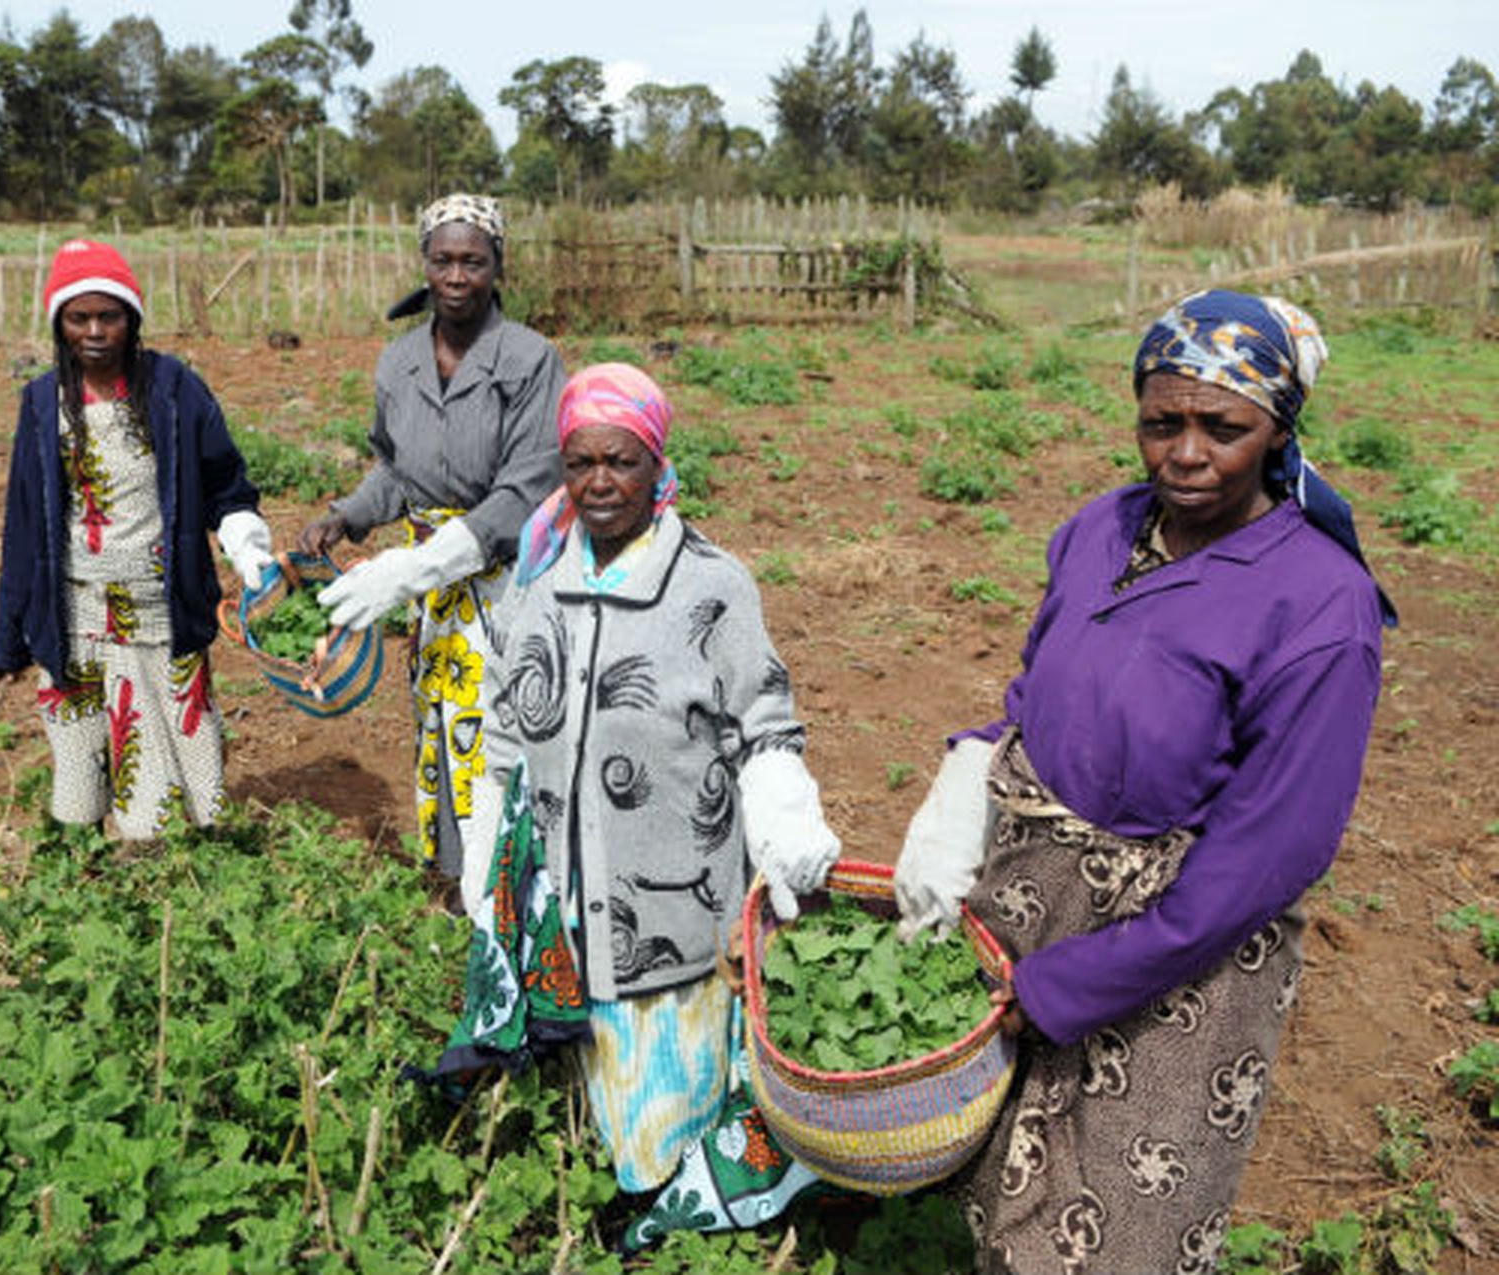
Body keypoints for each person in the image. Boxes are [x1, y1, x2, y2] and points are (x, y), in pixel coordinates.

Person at [892, 290, 1394, 1273]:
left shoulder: (1319, 607)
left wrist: (1082, 977)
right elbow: (1044, 683)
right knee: (1002, 1176)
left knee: (1122, 1222)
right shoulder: (1101, 528)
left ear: (1280, 428)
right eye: (1161, 423)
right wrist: (968, 772)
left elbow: (1267, 854)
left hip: (1180, 949)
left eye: (1224, 428)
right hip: (1033, 896)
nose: (1187, 455)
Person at [449, 362, 841, 1195]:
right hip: (560, 926)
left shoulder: (710, 585)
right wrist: (486, 871)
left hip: (673, 926)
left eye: (620, 460)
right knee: (583, 1141)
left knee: (672, 1146)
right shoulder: (539, 584)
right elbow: (505, 736)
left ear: (657, 465)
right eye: (580, 461)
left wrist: (784, 824)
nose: (599, 482)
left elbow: (763, 726)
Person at [298, 193, 566, 894]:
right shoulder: (400, 362)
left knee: (502, 726)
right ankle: (456, 879)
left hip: (505, 583)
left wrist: (421, 563)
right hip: (430, 596)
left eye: (472, 261)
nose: (456, 276)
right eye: (443, 259)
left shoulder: (531, 359)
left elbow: (528, 488)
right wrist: (349, 516)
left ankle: (510, 888)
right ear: (424, 263)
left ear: (497, 265)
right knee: (443, 724)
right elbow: (397, 468)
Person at [0, 239, 279, 840]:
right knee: (78, 756)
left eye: (109, 316)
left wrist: (246, 544)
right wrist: (9, 640)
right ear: (59, 324)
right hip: (74, 610)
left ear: (132, 319)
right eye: (79, 317)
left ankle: (171, 861)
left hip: (157, 607)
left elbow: (227, 484)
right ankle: (82, 868)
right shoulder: (43, 402)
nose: (95, 330)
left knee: (163, 763)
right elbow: (23, 527)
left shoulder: (174, 391)